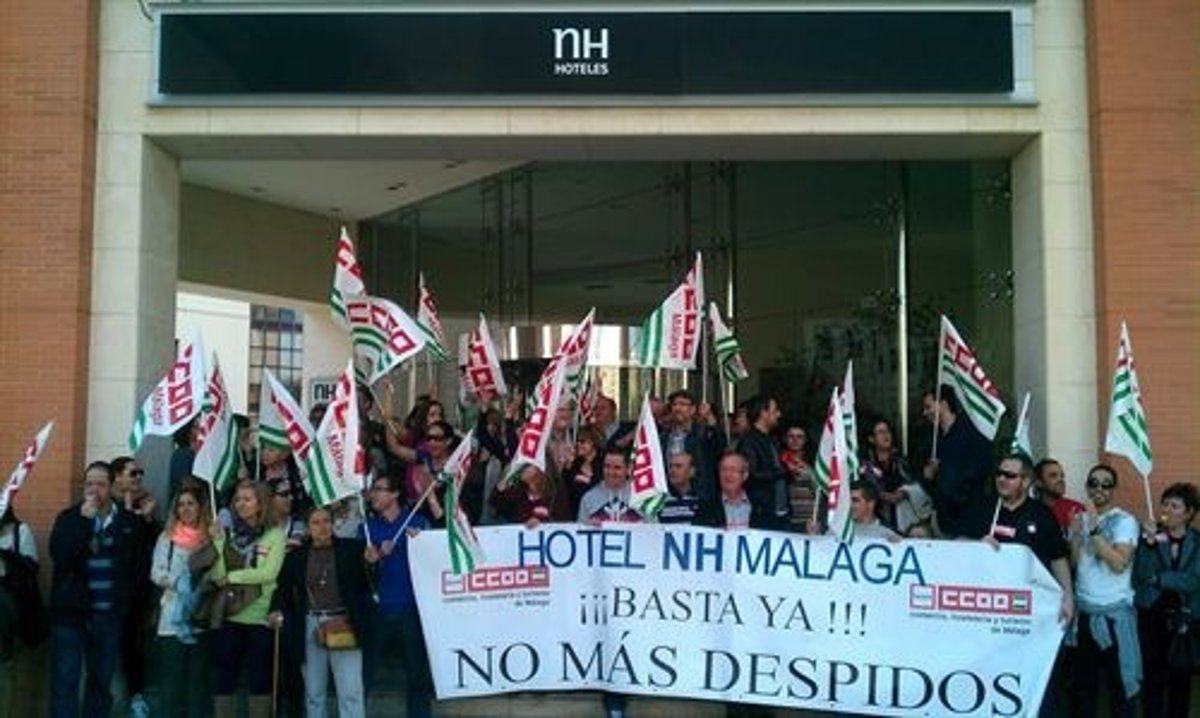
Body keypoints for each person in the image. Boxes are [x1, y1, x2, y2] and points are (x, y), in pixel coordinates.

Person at [48, 460, 148, 718]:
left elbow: (138, 568)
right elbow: (61, 556)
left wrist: (128, 605)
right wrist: (84, 523)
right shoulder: (69, 518)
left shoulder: (128, 521)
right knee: (65, 680)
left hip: (109, 615)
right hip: (71, 615)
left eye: (101, 484)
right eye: (89, 484)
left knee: (101, 682)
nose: (94, 490)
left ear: (112, 486)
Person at [271, 506, 370, 718]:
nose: (322, 527)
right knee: (314, 692)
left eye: (326, 521)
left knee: (350, 690)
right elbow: (282, 589)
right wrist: (275, 609)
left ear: (333, 524)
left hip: (343, 622)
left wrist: (372, 562)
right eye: (315, 522)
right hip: (310, 624)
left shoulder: (352, 549)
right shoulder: (296, 556)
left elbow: (367, 584)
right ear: (308, 528)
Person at [1066, 463, 1141, 717]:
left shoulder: (1125, 521)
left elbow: (1119, 564)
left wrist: (1095, 529)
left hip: (1112, 616)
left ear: (1114, 489)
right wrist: (1075, 536)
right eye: (1093, 483)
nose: (1099, 488)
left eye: (1106, 484)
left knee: (1120, 687)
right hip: (1084, 614)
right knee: (1083, 688)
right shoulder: (1081, 519)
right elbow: (1075, 564)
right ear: (1087, 486)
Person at [209, 479, 286, 718]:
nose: (241, 504)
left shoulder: (275, 535)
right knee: (225, 677)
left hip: (260, 618)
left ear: (260, 504)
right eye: (237, 500)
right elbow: (217, 575)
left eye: (247, 499)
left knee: (259, 679)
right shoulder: (229, 534)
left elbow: (268, 573)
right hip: (230, 615)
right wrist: (218, 541)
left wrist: (234, 576)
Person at [363, 473, 433, 718]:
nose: (373, 494)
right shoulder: (367, 527)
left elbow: (436, 556)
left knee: (416, 674)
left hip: (411, 608)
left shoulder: (417, 522)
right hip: (377, 610)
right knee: (365, 672)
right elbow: (358, 570)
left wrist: (422, 541)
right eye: (373, 489)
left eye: (379, 489)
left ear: (395, 494)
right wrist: (371, 558)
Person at [978, 455, 1074, 627]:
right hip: (992, 601)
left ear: (1026, 481)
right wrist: (977, 547)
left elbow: (1058, 558)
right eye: (999, 474)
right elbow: (959, 545)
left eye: (1010, 475)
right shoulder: (983, 509)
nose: (1002, 479)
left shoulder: (1042, 514)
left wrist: (1067, 597)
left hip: (1032, 602)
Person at [1134, 482, 1200, 718]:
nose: (1167, 510)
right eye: (1165, 504)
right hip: (1151, 614)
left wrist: (1161, 578)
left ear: (1189, 513)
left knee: (1180, 677)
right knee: (1152, 676)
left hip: (1184, 617)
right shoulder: (1150, 536)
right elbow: (1141, 574)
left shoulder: (1197, 541)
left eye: (1175, 506)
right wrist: (1150, 544)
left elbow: (1194, 581)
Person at [149, 485, 213, 718]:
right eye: (181, 504)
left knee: (198, 683)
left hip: (200, 615)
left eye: (190, 504)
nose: (185, 509)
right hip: (171, 619)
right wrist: (179, 582)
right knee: (171, 683)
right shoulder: (167, 538)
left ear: (200, 507)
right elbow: (156, 572)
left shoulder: (209, 538)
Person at [111, 455, 158, 718]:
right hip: (109, 592)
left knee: (133, 645)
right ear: (117, 477)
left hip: (137, 593)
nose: (139, 477)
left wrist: (147, 519)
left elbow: (152, 544)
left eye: (141, 473)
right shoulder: (107, 507)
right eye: (133, 473)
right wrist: (130, 515)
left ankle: (135, 696)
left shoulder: (146, 506)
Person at [922, 386, 993, 538]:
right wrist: (928, 478)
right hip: (944, 522)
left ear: (943, 404)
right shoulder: (933, 440)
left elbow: (981, 469)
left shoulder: (972, 433)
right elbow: (933, 486)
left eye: (928, 407)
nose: (925, 412)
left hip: (970, 521)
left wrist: (944, 469)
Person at [0, 505, 41, 718]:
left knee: (6, 671)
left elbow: (30, 569)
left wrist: (6, 558)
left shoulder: (20, 531)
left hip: (10, 614)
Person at [861, 418, 932, 535]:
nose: (886, 435)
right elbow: (866, 490)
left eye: (888, 431)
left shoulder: (901, 461)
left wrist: (905, 492)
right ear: (871, 439)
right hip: (878, 521)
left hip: (906, 521)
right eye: (881, 432)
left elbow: (915, 484)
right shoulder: (865, 465)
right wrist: (887, 496)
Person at [659, 390, 724, 502]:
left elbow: (720, 446)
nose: (678, 408)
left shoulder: (702, 434)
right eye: (675, 404)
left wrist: (710, 419)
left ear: (693, 409)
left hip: (699, 495)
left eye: (683, 404)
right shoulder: (664, 437)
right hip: (669, 496)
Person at [737, 395, 790, 530]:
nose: (779, 414)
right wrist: (784, 471)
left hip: (780, 513)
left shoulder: (773, 440)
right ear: (763, 413)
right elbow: (751, 475)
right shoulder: (748, 442)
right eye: (775, 410)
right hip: (761, 515)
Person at [577, 448, 641, 524]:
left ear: (628, 469)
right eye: (607, 466)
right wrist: (589, 527)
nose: (611, 472)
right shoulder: (588, 499)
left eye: (617, 468)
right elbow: (580, 528)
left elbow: (651, 527)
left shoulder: (642, 497)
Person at [491, 465, 571, 526]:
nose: (521, 468)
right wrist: (508, 476)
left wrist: (542, 523)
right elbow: (494, 501)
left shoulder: (556, 494)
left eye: (526, 465)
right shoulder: (518, 492)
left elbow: (564, 524)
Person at [563, 425, 605, 517]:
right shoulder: (576, 462)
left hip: (598, 512)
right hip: (576, 512)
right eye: (577, 441)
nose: (578, 444)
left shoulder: (603, 462)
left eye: (582, 441)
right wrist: (568, 466)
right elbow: (565, 488)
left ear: (593, 443)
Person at [1034, 458, 1085, 534]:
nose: (1060, 479)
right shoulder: (1030, 511)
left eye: (1062, 476)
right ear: (1039, 482)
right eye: (1053, 476)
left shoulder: (1076, 508)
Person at [659, 451, 702, 525]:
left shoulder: (702, 502)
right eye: (670, 466)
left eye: (678, 466)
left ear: (692, 471)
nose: (672, 470)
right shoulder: (659, 502)